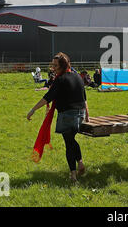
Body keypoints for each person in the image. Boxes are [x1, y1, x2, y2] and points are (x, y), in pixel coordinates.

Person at [27, 52, 90, 182]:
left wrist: (33, 109)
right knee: (71, 140)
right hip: (80, 115)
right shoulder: (77, 76)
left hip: (67, 116)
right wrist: (87, 116)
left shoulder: (60, 80)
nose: (53, 68)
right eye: (53, 65)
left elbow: (47, 97)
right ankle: (81, 163)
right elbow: (84, 99)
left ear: (62, 65)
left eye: (55, 65)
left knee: (69, 143)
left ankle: (73, 174)